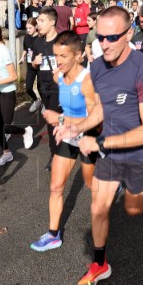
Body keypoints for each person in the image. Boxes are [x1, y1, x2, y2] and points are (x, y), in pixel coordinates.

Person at [54, 6, 143, 285]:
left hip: (139, 152)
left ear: (129, 33)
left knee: (133, 208)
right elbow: (100, 110)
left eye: (112, 37)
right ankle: (100, 264)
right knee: (98, 207)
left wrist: (99, 142)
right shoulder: (96, 67)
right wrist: (78, 127)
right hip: (109, 151)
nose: (104, 43)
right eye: (100, 37)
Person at [31, 31, 99, 252]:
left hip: (88, 137)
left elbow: (95, 121)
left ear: (78, 56)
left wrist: (60, 118)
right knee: (55, 186)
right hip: (68, 136)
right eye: (56, 56)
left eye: (64, 56)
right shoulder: (58, 75)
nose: (59, 61)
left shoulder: (87, 81)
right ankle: (53, 234)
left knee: (90, 185)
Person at [0, 20, 34, 166]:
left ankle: (25, 131)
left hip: (7, 93)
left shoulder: (3, 50)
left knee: (6, 127)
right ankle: (6, 153)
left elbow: (13, 76)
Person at [32, 8, 64, 166]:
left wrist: (62, 68)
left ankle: (55, 155)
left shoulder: (62, 41)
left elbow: (75, 62)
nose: (38, 24)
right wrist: (34, 62)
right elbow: (33, 64)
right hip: (43, 88)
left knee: (52, 121)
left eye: (41, 21)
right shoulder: (37, 42)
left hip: (59, 87)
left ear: (52, 22)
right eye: (37, 21)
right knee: (57, 120)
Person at [21, 18, 41, 113]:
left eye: (30, 28)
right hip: (30, 66)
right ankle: (36, 101)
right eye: (27, 28)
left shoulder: (40, 38)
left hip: (40, 66)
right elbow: (25, 49)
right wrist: (22, 57)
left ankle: (44, 103)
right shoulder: (26, 37)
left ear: (36, 27)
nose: (28, 30)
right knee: (28, 87)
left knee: (41, 87)